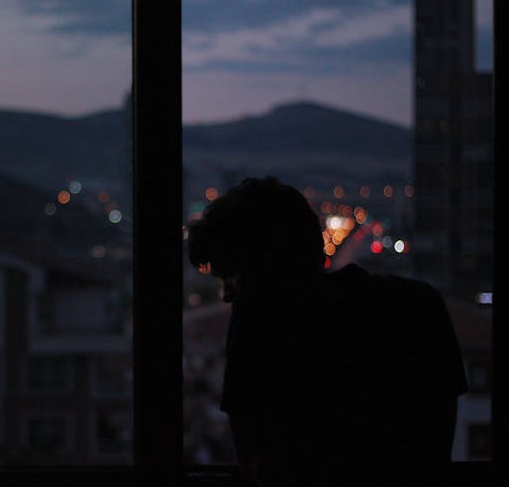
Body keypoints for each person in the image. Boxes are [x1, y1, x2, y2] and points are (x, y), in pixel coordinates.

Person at [186, 177, 468, 487]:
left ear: (266, 268)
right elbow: (437, 454)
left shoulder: (258, 335)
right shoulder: (417, 308)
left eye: (231, 277)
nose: (226, 296)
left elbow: (255, 462)